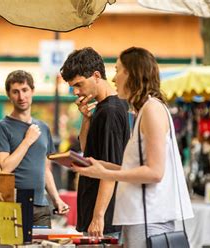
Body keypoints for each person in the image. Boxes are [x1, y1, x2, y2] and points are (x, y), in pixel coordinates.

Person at [73, 47, 194, 248]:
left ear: (132, 74)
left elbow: (155, 172)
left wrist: (106, 173)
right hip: (141, 218)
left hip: (149, 219)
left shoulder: (152, 110)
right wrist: (102, 166)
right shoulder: (146, 110)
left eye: (118, 70)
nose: (113, 79)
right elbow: (138, 170)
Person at [60, 47, 130, 238]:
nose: (75, 91)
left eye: (79, 84)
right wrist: (86, 118)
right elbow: (86, 149)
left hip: (104, 221)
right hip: (98, 215)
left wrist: (98, 216)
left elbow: (111, 169)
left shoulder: (111, 111)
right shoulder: (101, 108)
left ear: (97, 75)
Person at [0, 70, 69, 227]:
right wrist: (27, 141)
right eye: (15, 92)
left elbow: (45, 169)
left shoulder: (43, 127)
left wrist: (56, 199)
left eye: (25, 90)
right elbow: (5, 168)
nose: (21, 97)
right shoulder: (1, 128)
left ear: (32, 91)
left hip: (41, 206)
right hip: (13, 204)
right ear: (9, 95)